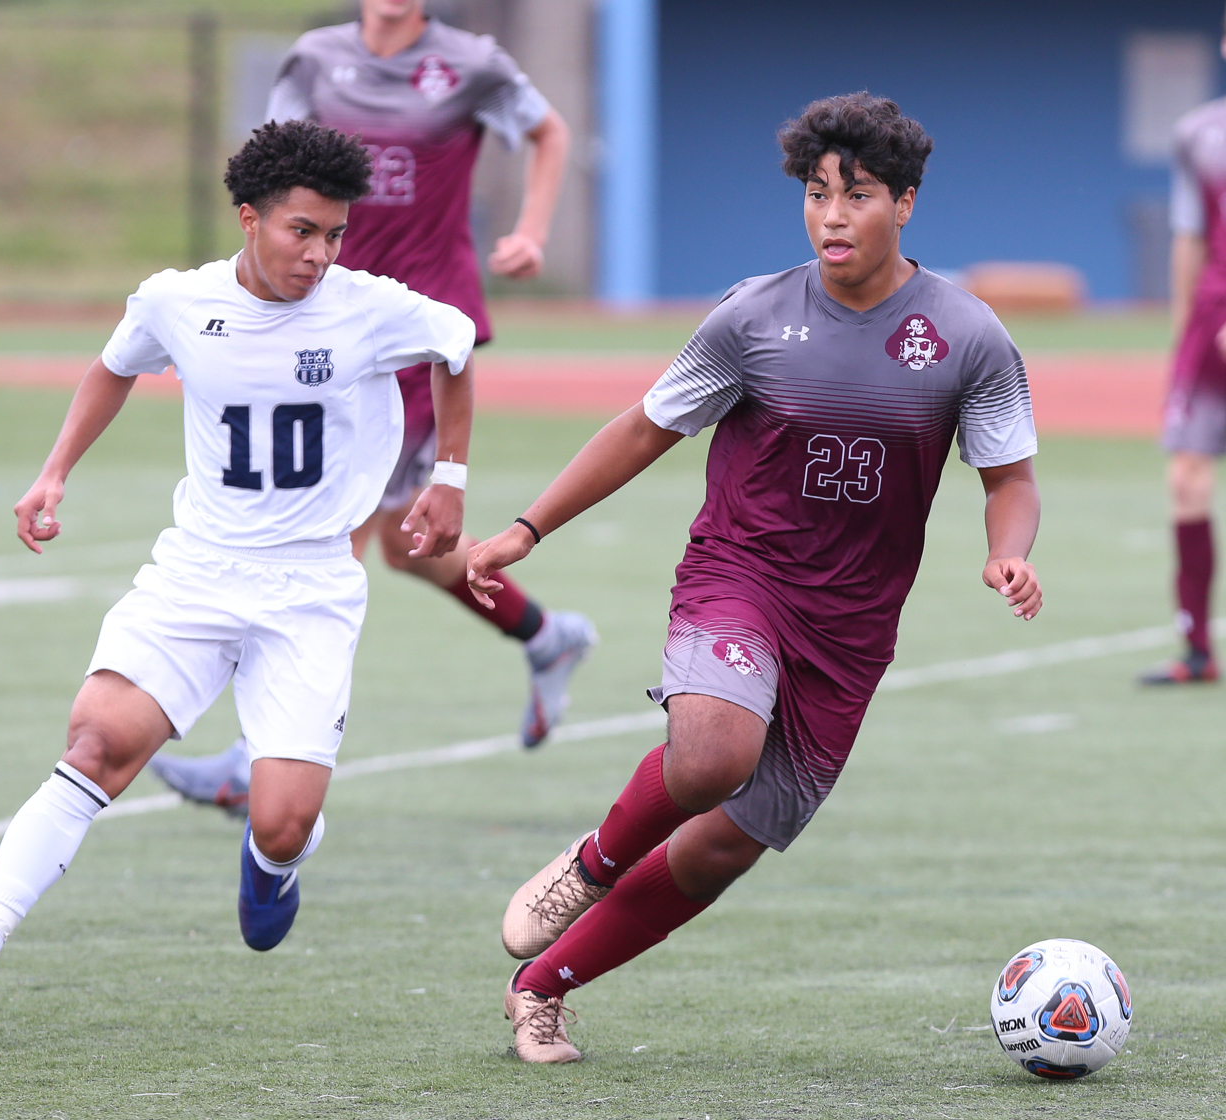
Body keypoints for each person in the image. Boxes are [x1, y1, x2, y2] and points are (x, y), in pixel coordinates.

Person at [466, 93, 1044, 1063]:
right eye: (815, 193)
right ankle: (591, 862)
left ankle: (541, 988)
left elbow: (1008, 477)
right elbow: (642, 428)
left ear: (903, 202)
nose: (828, 214)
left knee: (721, 844)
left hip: (851, 629)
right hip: (739, 576)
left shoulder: (966, 336)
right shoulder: (752, 316)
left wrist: (1007, 547)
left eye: (854, 195)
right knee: (707, 756)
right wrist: (529, 525)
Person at [0, 120, 477, 1022]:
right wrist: (54, 471)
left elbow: (455, 346)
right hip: (199, 572)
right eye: (302, 231)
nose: (321, 254)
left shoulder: (369, 306)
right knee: (95, 744)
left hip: (311, 589)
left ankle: (272, 861)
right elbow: (112, 367)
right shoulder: (177, 302)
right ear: (248, 219)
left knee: (283, 822)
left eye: (335, 234)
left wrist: (448, 479)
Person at [146, 1, 591, 815]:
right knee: (401, 546)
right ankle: (545, 636)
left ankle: (258, 758)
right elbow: (265, 176)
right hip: (322, 315)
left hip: (413, 327)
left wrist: (531, 229)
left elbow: (548, 130)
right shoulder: (314, 59)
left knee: (324, 528)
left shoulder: (471, 62)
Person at [1139, 19, 1226, 685]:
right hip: (1210, 326)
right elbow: (1189, 237)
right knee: (1186, 479)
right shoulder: (1199, 134)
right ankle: (1197, 650)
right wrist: (1182, 332)